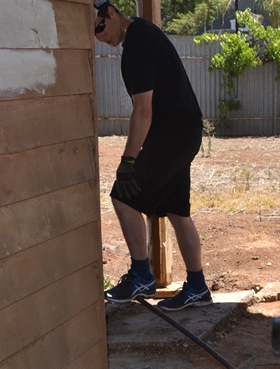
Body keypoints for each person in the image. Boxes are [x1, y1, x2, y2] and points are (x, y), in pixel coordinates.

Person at [94, 0, 211, 311]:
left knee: (123, 196)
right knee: (177, 213)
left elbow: (143, 111)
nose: (100, 37)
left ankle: (142, 275)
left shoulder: (138, 45)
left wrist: (128, 161)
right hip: (183, 131)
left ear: (111, 13)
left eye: (100, 28)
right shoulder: (144, 35)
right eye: (94, 35)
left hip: (172, 134)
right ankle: (198, 287)